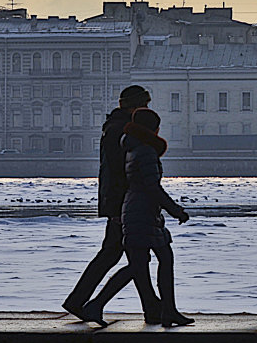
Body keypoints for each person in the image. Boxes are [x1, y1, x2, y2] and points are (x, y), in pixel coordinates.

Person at [63, 85, 159, 326]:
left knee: (118, 255)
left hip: (121, 203)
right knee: (131, 257)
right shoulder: (121, 130)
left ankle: (151, 307)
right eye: (143, 105)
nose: (146, 109)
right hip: (124, 205)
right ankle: (90, 303)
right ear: (132, 106)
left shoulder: (116, 127)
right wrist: (119, 208)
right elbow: (119, 172)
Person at [122, 106, 194, 327]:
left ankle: (161, 311)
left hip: (136, 209)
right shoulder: (145, 151)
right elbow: (153, 187)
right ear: (152, 129)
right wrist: (176, 210)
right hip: (144, 212)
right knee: (161, 258)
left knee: (141, 264)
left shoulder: (132, 147)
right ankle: (168, 311)